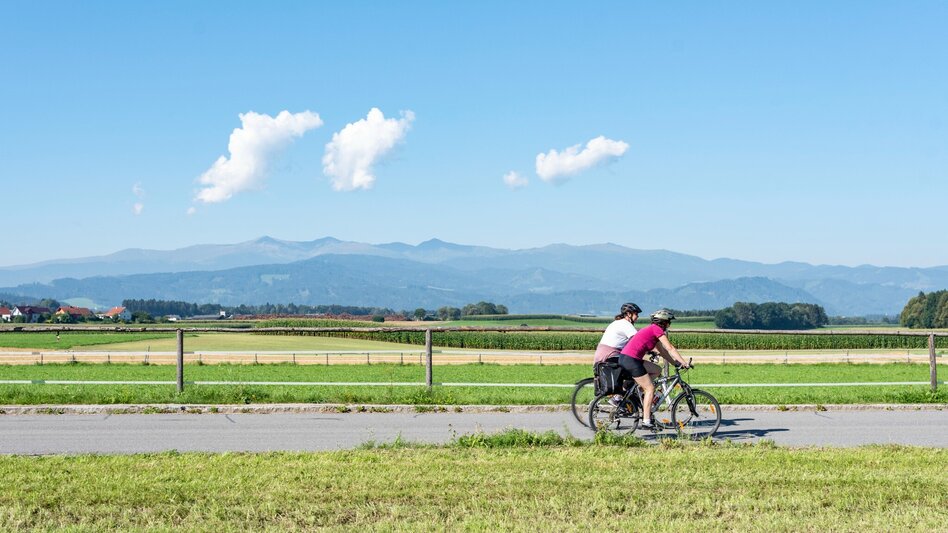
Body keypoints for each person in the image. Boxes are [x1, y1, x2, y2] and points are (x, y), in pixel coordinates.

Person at [618, 309, 691, 429]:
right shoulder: (657, 329)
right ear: (664, 322)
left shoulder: (653, 331)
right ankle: (646, 421)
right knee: (650, 388)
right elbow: (670, 348)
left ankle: (638, 390)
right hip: (631, 360)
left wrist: (675, 363)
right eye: (669, 322)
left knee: (657, 370)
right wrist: (684, 362)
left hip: (629, 358)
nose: (669, 325)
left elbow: (663, 352)